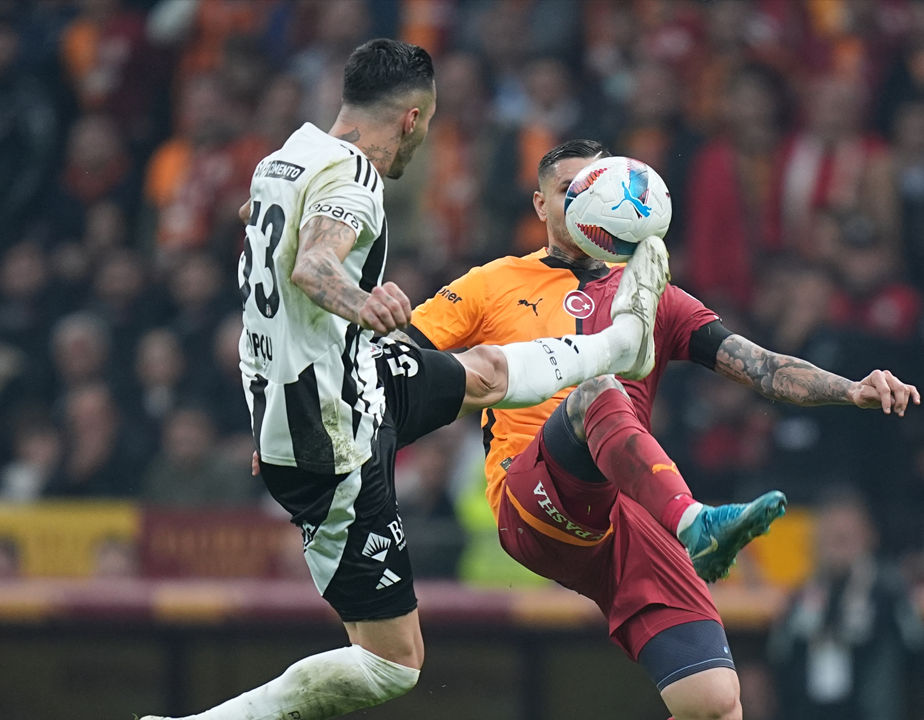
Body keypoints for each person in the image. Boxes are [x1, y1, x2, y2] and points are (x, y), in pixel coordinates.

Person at [142, 38, 667, 720]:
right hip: (334, 442)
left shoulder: (285, 159)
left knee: (479, 374)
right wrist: (363, 302)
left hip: (339, 385)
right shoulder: (354, 178)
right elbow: (314, 264)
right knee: (391, 664)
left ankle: (621, 344)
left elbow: (266, 228)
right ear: (414, 120)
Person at [406, 139, 922, 720]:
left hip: (627, 516)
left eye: (599, 188)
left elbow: (762, 367)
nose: (588, 205)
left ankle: (689, 525)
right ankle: (696, 523)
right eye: (571, 193)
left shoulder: (652, 297)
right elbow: (401, 361)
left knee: (716, 703)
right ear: (541, 206)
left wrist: (850, 388)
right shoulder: (491, 283)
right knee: (598, 389)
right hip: (536, 500)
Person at [769, 491, 924, 720]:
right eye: (831, 538)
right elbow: (778, 654)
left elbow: (918, 657)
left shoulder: (888, 593)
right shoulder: (802, 595)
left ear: (869, 537)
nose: (838, 548)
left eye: (846, 538)